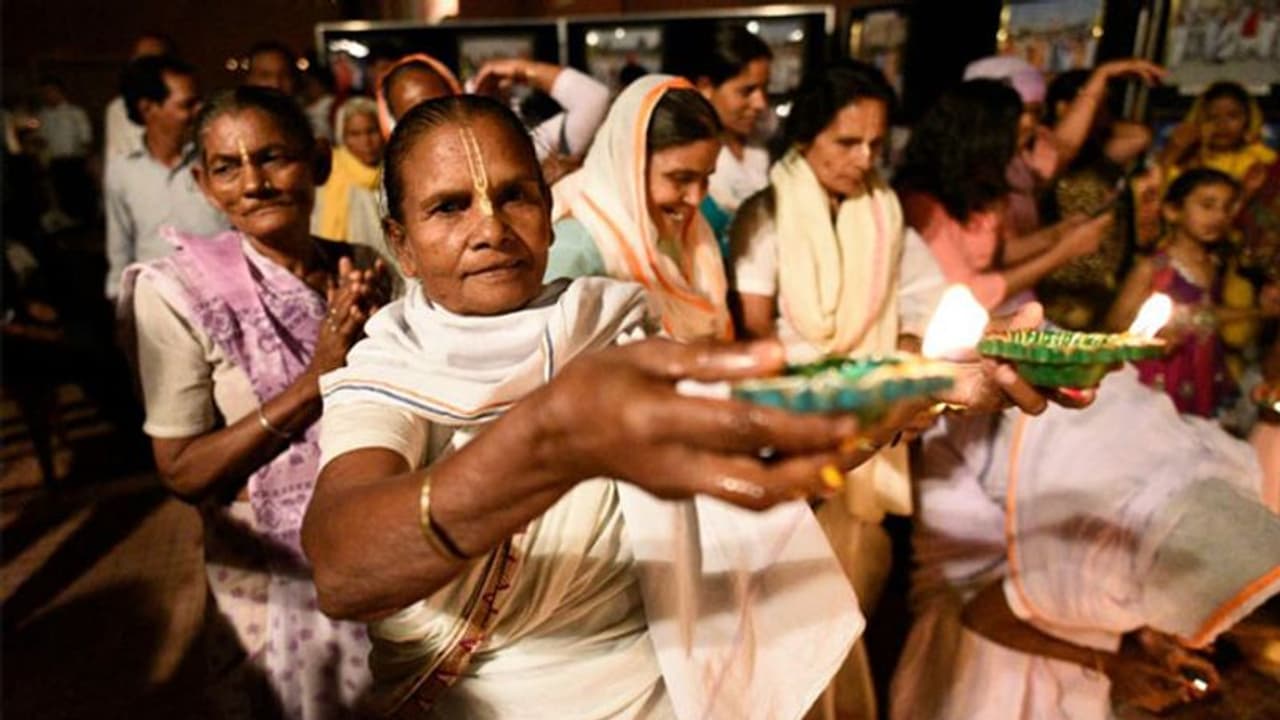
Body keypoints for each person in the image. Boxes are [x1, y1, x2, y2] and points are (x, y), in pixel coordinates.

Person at [302, 93, 876, 720]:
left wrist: (887, 404)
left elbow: (738, 442)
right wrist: (549, 441)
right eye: (449, 207)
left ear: (550, 216)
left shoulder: (611, 328)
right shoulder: (387, 374)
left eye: (515, 196)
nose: (490, 229)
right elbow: (341, 567)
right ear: (402, 244)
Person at [121, 86, 384, 718]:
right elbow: (182, 471)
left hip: (377, 561)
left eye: (272, 157)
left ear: (318, 161)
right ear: (204, 186)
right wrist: (317, 379)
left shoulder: (364, 271)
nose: (254, 184)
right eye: (227, 167)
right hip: (269, 579)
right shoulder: (178, 292)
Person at [728, 58, 946, 720]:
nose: (864, 159)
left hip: (873, 428)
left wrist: (901, 361)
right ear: (806, 136)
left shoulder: (885, 213)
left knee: (848, 598)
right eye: (848, 142)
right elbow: (756, 333)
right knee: (791, 612)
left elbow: (922, 301)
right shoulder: (765, 213)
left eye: (876, 144)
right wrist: (825, 393)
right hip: (796, 429)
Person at [890, 365, 1280, 719]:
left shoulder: (1226, 512)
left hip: (1060, 431)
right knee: (976, 637)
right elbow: (981, 616)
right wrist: (1108, 665)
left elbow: (1166, 571)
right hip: (988, 429)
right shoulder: (1103, 567)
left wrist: (1151, 641)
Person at [895, 80, 1112, 311]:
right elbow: (966, 293)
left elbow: (991, 254)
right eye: (1010, 141)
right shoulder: (922, 202)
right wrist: (1062, 253)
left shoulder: (974, 185)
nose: (1015, 153)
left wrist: (1055, 235)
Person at [546, 75, 733, 342]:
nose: (696, 198)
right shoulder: (576, 249)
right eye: (681, 178)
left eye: (706, 178)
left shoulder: (685, 236)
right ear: (629, 165)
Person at [1107, 169, 1244, 418]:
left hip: (1201, 370)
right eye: (1207, 205)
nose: (1218, 217)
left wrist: (1261, 312)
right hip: (1160, 371)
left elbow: (1209, 314)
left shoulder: (1216, 265)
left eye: (1226, 208)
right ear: (1172, 211)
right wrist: (1155, 333)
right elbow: (1116, 322)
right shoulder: (1154, 268)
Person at [105, 54, 228, 299]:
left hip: (224, 296)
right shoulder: (123, 170)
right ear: (148, 109)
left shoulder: (217, 159)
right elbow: (120, 246)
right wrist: (120, 298)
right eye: (187, 104)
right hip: (158, 302)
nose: (200, 110)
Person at [374, 52, 610, 165]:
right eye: (414, 115)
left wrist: (519, 69)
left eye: (440, 105)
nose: (431, 122)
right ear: (393, 129)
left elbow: (594, 99)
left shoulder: (516, 154)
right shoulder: (399, 194)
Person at [683, 25, 774, 257]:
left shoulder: (766, 147)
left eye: (764, 89)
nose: (760, 103)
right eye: (747, 91)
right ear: (706, 88)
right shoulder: (681, 155)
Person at [104, 33, 174, 159]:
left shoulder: (182, 105)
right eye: (139, 61)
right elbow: (116, 157)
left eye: (152, 61)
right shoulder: (118, 108)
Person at [36, 76, 94, 223]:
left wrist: (89, 162)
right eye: (44, 92)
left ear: (61, 92)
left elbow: (86, 139)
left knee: (82, 198)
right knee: (63, 199)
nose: (47, 95)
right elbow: (41, 141)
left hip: (75, 161)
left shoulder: (75, 113)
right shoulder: (42, 115)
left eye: (51, 91)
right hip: (55, 162)